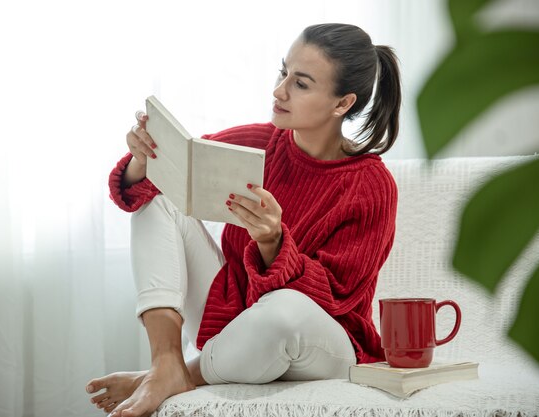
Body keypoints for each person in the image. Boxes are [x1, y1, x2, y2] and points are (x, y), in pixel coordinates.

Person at [86, 23, 401, 417]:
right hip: (237, 320)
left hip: (323, 341)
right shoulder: (259, 143)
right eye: (282, 72)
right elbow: (148, 188)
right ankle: (165, 361)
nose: (279, 90)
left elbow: (336, 298)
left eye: (300, 84)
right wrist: (145, 159)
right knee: (160, 197)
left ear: (342, 104)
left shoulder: (372, 185)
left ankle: (180, 374)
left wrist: (272, 242)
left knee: (285, 310)